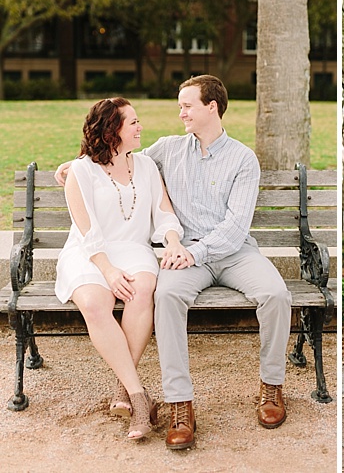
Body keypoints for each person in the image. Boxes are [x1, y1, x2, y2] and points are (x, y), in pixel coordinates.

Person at [56, 75, 292, 450]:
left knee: (277, 294)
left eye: (186, 105)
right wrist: (76, 165)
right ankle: (180, 404)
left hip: (231, 253)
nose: (179, 112)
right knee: (165, 297)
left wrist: (189, 250)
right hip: (182, 257)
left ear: (211, 108)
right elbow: (118, 157)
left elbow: (235, 228)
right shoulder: (167, 149)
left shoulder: (244, 159)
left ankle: (272, 388)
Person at [55, 97, 184, 440]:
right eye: (133, 123)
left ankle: (123, 389)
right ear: (112, 130)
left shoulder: (146, 167)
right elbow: (88, 232)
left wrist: (171, 240)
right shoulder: (80, 171)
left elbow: (164, 213)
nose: (141, 127)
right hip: (89, 252)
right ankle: (140, 397)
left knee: (142, 290)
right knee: (96, 303)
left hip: (134, 249)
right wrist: (109, 271)